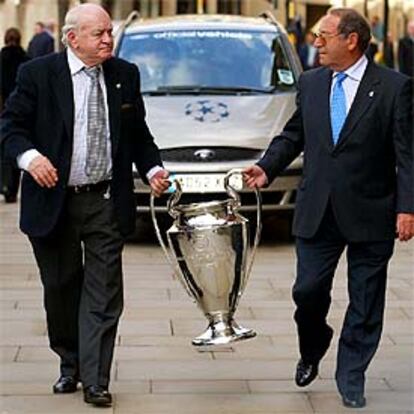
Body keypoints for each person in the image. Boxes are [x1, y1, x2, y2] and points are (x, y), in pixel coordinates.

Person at [0, 3, 170, 407]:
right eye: (99, 34)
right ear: (72, 38)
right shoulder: (37, 75)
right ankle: (69, 362)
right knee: (60, 289)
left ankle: (96, 378)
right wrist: (30, 158)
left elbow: (138, 134)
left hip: (105, 201)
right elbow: (9, 127)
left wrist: (154, 170)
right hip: (53, 201)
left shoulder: (124, 75)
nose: (108, 39)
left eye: (110, 32)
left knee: (104, 292)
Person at [244, 7, 413, 409]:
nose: (316, 43)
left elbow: (407, 154)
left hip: (371, 209)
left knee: (366, 298)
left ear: (351, 40)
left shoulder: (394, 87)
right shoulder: (312, 82)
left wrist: (407, 207)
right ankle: (314, 344)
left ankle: (351, 373)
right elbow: (295, 134)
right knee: (307, 291)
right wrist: (266, 167)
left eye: (325, 36)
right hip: (317, 208)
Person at [0, 28, 29, 203]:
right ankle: (12, 188)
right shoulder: (26, 61)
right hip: (21, 109)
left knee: (2, 148)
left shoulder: (1, 59)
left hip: (2, 108)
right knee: (16, 146)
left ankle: (3, 183)